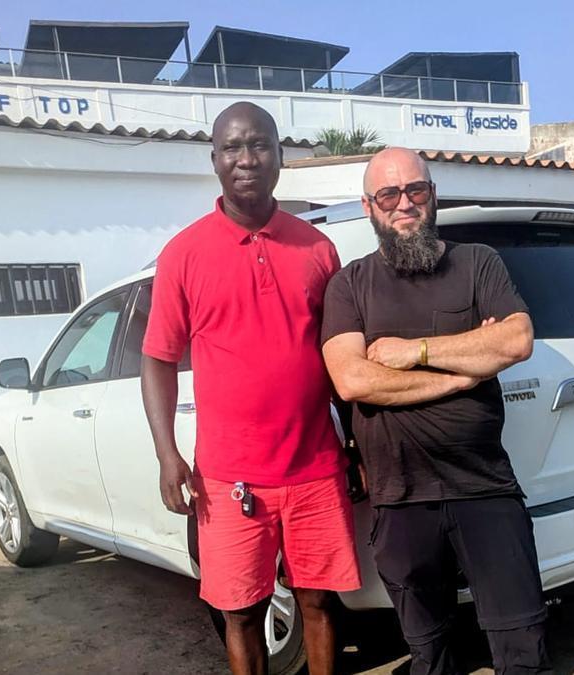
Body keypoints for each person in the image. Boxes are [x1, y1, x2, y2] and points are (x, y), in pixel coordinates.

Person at [141, 102, 359, 675]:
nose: (246, 159)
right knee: (241, 612)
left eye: (259, 145)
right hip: (228, 478)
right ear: (214, 160)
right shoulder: (183, 254)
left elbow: (338, 356)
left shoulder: (318, 248)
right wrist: (168, 455)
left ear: (281, 157)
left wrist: (356, 443)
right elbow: (158, 360)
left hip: (315, 468)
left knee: (319, 602)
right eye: (233, 148)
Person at [320, 147, 551, 674]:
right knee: (430, 654)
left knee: (524, 649)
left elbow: (516, 340)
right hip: (400, 500)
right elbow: (353, 379)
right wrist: (468, 369)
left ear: (433, 195)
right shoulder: (350, 285)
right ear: (369, 206)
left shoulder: (478, 263)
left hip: (484, 488)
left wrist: (412, 352)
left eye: (415, 190)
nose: (405, 203)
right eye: (389, 194)